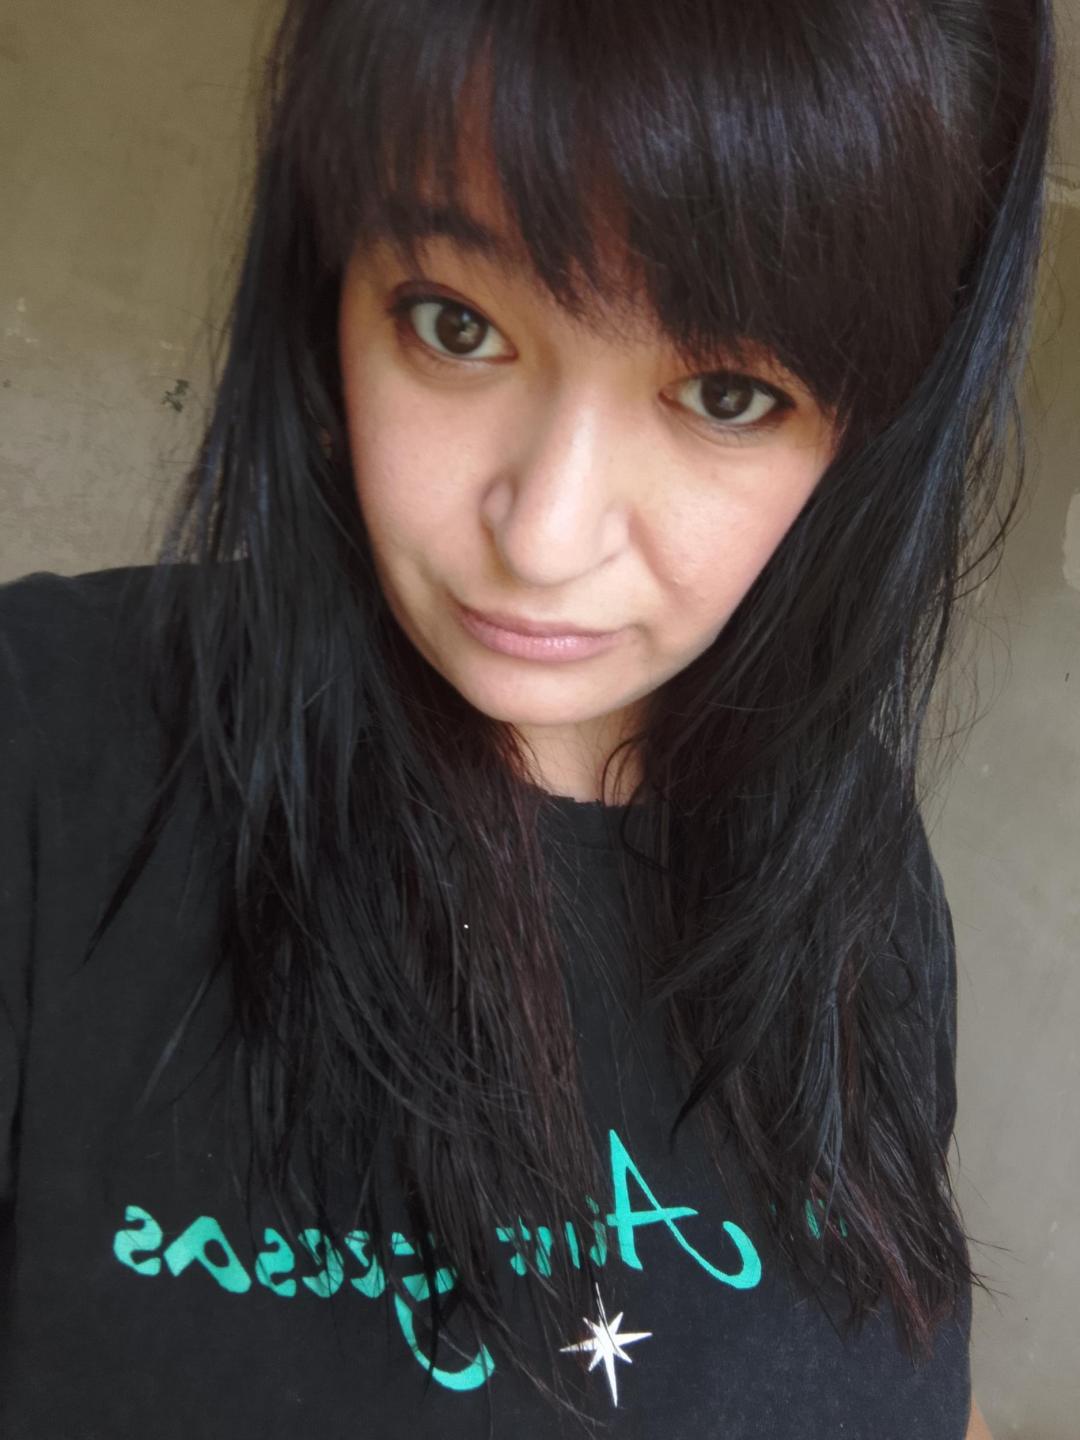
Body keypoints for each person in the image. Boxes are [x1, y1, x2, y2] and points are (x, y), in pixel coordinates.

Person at [0, 0, 1055, 1436]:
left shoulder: (853, 849)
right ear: (329, 285)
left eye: (728, 393)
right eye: (457, 324)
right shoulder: (46, 749)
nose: (544, 538)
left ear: (876, 426)